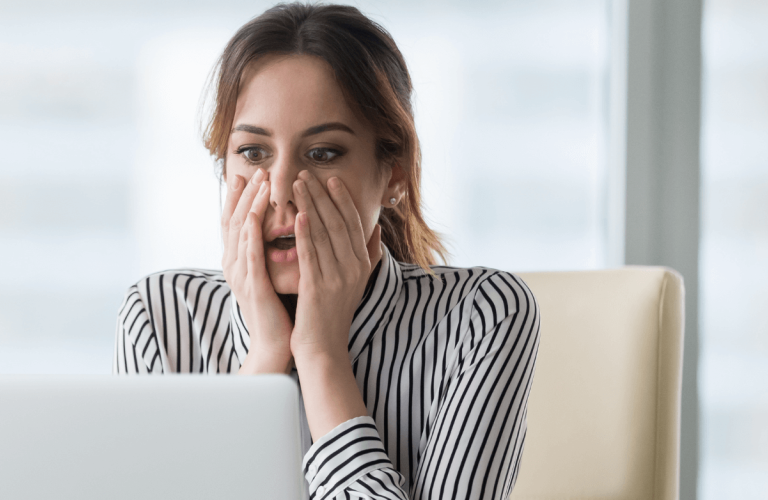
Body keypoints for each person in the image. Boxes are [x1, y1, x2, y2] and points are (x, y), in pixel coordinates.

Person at [114, 3, 540, 499]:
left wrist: (321, 358)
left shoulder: (483, 314)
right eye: (253, 153)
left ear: (393, 173)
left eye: (322, 154)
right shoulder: (162, 317)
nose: (280, 192)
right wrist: (266, 357)